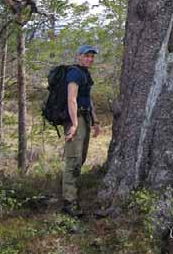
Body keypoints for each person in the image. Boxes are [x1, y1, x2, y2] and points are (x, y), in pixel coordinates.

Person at [62, 44, 101, 217]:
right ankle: (69, 203)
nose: (90, 59)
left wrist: (95, 121)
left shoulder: (85, 73)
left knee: (81, 158)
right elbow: (71, 99)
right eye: (87, 56)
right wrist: (74, 124)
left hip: (84, 118)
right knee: (73, 160)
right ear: (79, 56)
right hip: (75, 119)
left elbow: (87, 99)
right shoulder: (74, 73)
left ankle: (73, 193)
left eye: (92, 56)